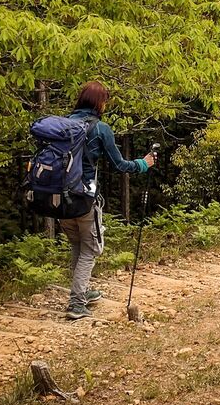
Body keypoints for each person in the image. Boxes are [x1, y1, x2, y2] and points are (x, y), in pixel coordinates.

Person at [61, 81, 156, 320]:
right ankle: (76, 303)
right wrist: (144, 163)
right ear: (99, 103)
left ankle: (81, 292)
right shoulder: (100, 129)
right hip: (84, 199)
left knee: (78, 246)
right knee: (91, 249)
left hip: (58, 199)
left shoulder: (63, 125)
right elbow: (119, 165)